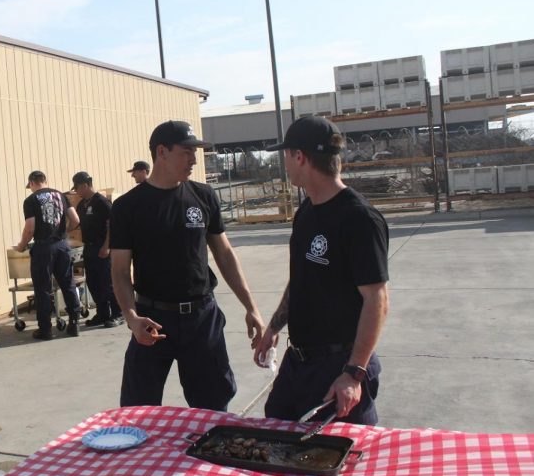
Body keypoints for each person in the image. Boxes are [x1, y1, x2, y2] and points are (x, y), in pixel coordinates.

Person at [110, 120, 265, 411]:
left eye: (196, 152)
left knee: (213, 407)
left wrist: (251, 307)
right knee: (137, 410)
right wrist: (132, 318)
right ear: (162, 152)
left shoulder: (203, 196)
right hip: (152, 320)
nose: (194, 159)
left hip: (201, 319)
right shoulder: (128, 207)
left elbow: (225, 254)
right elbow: (119, 271)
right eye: (186, 151)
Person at [254, 116, 389, 425]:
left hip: (339, 367)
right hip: (299, 364)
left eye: (286, 155)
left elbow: (377, 300)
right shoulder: (306, 211)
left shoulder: (359, 219)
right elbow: (303, 278)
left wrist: (354, 373)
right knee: (275, 428)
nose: (285, 164)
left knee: (342, 457)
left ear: (299, 156)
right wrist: (274, 327)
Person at [15, 170, 83, 340]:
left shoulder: (30, 200)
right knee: (67, 283)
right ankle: (74, 323)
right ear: (45, 180)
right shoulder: (61, 195)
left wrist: (21, 245)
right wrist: (62, 233)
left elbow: (30, 228)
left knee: (43, 288)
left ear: (31, 183)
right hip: (61, 246)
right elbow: (76, 220)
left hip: (43, 248)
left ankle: (45, 329)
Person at [71, 171, 124, 329]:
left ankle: (118, 313)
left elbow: (112, 225)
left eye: (78, 188)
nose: (77, 192)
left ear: (85, 185)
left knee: (107, 282)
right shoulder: (82, 205)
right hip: (89, 247)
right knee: (93, 282)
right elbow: (78, 224)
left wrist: (106, 246)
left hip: (102, 246)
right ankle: (102, 314)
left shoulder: (102, 202)